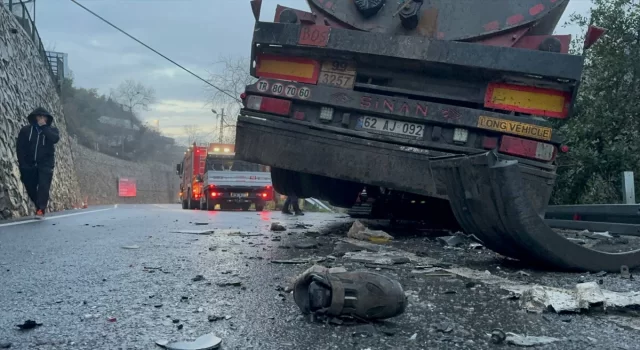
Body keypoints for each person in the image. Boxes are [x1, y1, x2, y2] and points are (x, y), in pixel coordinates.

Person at [16, 107, 60, 219]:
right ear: (34, 117)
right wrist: (22, 163)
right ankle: (38, 204)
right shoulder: (26, 130)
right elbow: (20, 147)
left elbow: (54, 139)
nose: (41, 118)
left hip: (45, 164)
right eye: (39, 116)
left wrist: (44, 127)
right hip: (29, 164)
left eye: (43, 116)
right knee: (30, 187)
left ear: (47, 118)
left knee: (43, 186)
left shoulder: (52, 130)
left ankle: (41, 209)